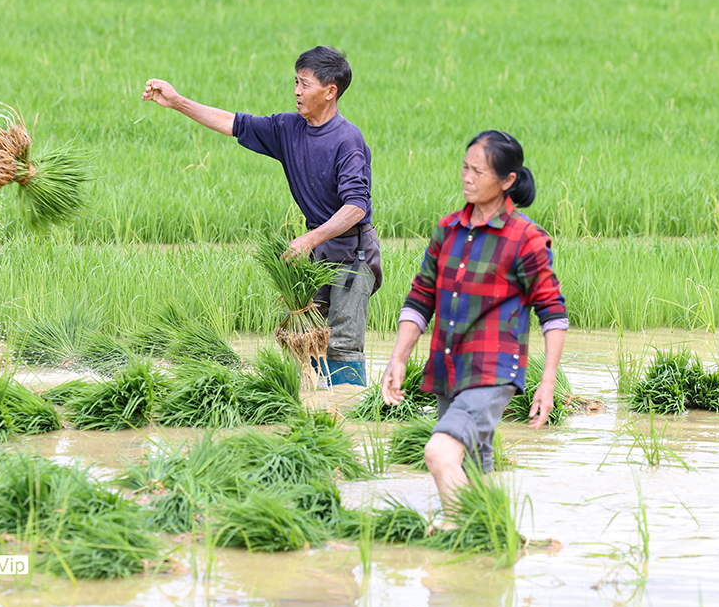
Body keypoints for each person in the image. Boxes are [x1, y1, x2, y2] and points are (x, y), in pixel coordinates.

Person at [142, 46, 382, 386]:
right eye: (295, 82)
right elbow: (232, 123)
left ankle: (348, 415)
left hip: (352, 253)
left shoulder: (347, 140)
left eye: (305, 84)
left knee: (342, 343)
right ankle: (311, 405)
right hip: (316, 249)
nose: (297, 91)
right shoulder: (288, 128)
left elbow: (356, 207)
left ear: (330, 92)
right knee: (303, 334)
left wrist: (310, 238)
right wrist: (178, 101)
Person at [380, 130, 567, 515]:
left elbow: (553, 311)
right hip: (450, 368)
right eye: (465, 168)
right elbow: (421, 296)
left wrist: (547, 381)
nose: (467, 177)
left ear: (507, 181)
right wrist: (398, 357)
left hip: (494, 371)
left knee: (438, 452)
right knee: (471, 468)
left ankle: (461, 529)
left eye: (478, 172)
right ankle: (488, 543)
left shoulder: (525, 239)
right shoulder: (448, 230)